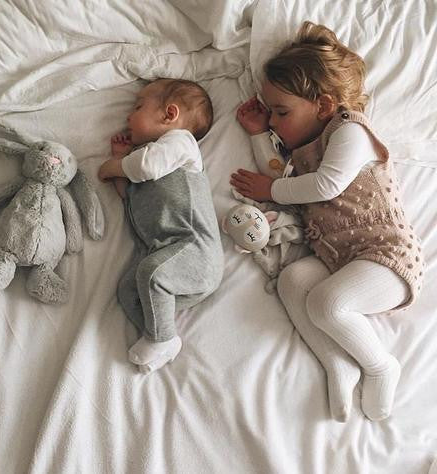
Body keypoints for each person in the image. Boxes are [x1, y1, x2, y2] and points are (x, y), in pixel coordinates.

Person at [231, 21, 424, 421]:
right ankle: (337, 361)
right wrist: (257, 134)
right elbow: (278, 173)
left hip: (387, 256)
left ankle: (380, 365)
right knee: (292, 279)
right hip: (340, 257)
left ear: (322, 105)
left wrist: (271, 190)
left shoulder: (349, 130)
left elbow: (325, 185)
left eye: (281, 112)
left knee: (327, 304)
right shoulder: (303, 151)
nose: (273, 121)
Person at [99, 78, 224, 374]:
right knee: (128, 291)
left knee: (151, 274)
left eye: (138, 107)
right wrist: (120, 161)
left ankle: (163, 339)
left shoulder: (180, 143)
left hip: (194, 251)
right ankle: (161, 336)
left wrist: (112, 166)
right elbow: (129, 195)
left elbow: (145, 168)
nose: (128, 117)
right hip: (168, 257)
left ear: (169, 114)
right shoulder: (148, 159)